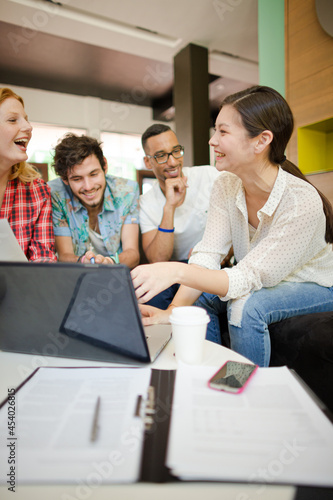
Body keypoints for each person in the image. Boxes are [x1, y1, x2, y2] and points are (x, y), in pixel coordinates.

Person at [131, 85, 333, 367]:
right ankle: (207, 372)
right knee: (202, 296)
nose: (212, 141)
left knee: (246, 306)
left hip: (314, 283)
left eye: (223, 132)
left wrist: (176, 270)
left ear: (261, 141)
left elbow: (247, 279)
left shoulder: (300, 202)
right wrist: (173, 311)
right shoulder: (226, 184)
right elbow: (209, 255)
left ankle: (238, 388)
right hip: (263, 277)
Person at [139, 124, 220, 308]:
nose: (173, 162)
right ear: (148, 162)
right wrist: (170, 206)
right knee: (151, 295)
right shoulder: (147, 201)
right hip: (173, 270)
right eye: (161, 156)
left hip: (211, 265)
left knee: (202, 296)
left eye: (176, 151)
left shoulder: (209, 176)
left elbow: (234, 227)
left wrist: (220, 255)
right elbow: (158, 259)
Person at [49, 133, 140, 268]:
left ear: (105, 166)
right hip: (76, 276)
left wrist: (108, 262)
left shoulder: (127, 191)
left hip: (115, 276)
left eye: (93, 174)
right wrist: (83, 262)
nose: (88, 186)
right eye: (77, 179)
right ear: (64, 179)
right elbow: (64, 255)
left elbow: (132, 254)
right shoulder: (55, 194)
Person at [0, 87, 56, 262]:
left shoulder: (37, 191)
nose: (28, 127)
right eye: (12, 120)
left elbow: (43, 263)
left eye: (26, 119)